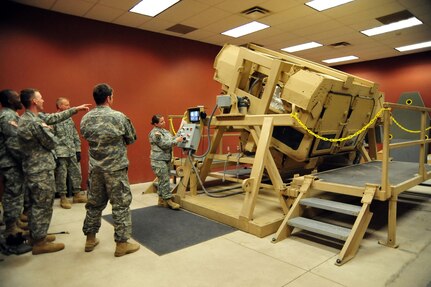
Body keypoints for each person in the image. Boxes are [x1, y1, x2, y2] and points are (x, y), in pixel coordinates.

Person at [17, 88, 90, 255]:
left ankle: (38, 235)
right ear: (34, 101)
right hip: (39, 170)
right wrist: (48, 130)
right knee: (42, 205)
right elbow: (51, 142)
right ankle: (39, 242)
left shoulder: (34, 117)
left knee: (38, 204)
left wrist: (75, 109)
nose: (43, 100)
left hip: (37, 168)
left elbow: (53, 118)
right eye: (40, 98)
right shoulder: (33, 122)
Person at [80, 83, 139, 257]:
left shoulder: (86, 118)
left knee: (93, 204)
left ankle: (90, 239)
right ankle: (122, 244)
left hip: (96, 169)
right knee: (120, 205)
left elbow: (85, 136)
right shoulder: (119, 117)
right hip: (116, 170)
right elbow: (132, 138)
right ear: (109, 97)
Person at [0, 89, 29, 240]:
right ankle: (11, 228)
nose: (20, 100)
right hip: (11, 162)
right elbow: (14, 144)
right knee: (13, 194)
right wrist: (26, 161)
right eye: (17, 97)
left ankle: (16, 221)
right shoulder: (7, 116)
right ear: (10, 101)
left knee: (17, 193)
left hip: (12, 162)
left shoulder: (11, 115)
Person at [52, 97, 86, 209]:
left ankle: (77, 194)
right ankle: (63, 197)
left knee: (76, 172)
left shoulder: (69, 119)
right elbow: (50, 137)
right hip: (61, 153)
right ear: (60, 106)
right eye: (66, 105)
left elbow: (75, 134)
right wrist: (54, 153)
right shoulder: (53, 119)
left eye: (69, 104)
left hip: (72, 151)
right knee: (61, 176)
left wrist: (78, 149)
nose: (69, 106)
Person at [148, 114, 183, 210]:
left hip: (165, 159)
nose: (164, 122)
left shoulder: (165, 131)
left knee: (162, 180)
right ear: (155, 124)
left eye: (164, 120)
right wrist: (177, 141)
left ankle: (161, 200)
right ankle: (168, 200)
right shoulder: (155, 133)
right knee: (165, 180)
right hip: (158, 160)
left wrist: (180, 134)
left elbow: (171, 139)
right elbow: (165, 144)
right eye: (161, 122)